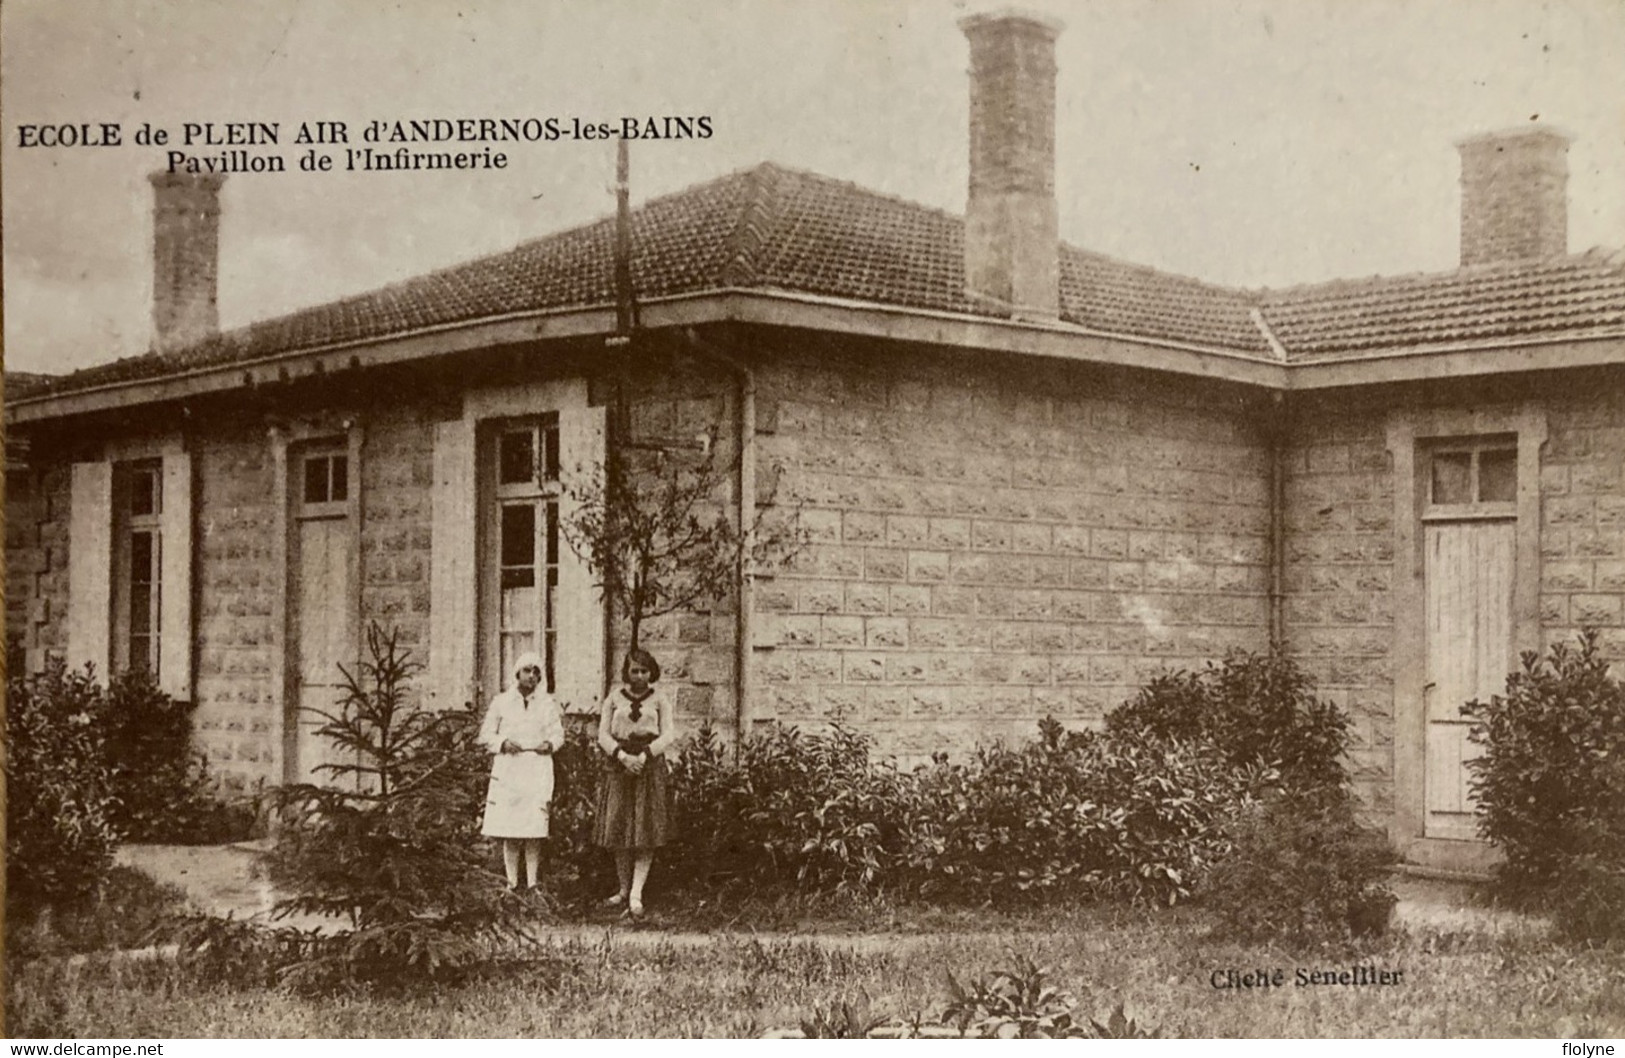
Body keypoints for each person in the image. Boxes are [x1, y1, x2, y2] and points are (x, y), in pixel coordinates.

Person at [594, 647, 676, 917]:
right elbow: (603, 735)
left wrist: (644, 755)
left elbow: (668, 735)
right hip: (619, 766)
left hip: (648, 766)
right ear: (626, 672)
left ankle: (636, 893)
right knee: (618, 828)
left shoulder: (660, 699)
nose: (639, 676)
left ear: (651, 672)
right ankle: (622, 888)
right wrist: (621, 756)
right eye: (634, 671)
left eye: (644, 670)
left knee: (645, 830)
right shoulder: (614, 699)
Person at [478, 652, 563, 892]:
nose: (532, 676)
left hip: (536, 767)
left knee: (533, 828)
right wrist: (503, 743)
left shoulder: (546, 704)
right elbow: (485, 736)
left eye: (537, 672)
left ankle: (533, 883)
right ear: (517, 673)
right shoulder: (501, 702)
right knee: (511, 829)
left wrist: (550, 744)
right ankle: (512, 883)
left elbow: (558, 734)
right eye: (527, 670)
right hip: (510, 769)